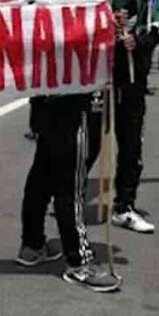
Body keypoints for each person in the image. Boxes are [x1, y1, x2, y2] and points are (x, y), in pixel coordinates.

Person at [17, 93, 120, 292]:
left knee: (43, 173)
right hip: (76, 104)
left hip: (51, 98)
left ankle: (32, 243)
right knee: (70, 182)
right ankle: (79, 261)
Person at [110, 0, 158, 233]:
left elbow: (156, 34)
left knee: (131, 149)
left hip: (132, 87)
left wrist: (136, 41)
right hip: (100, 83)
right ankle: (68, 198)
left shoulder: (147, 3)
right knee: (87, 148)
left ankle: (124, 207)